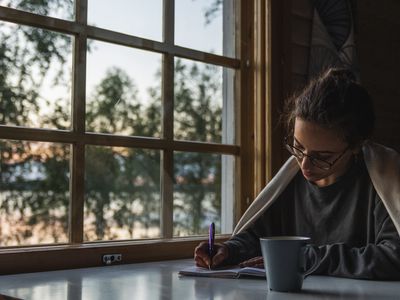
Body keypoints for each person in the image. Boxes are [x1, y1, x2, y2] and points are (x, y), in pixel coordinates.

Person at [194, 68, 400, 279]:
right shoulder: (290, 181)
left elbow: (394, 257)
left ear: (356, 146)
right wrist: (230, 250)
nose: (304, 166)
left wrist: (306, 258)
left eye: (322, 157)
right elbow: (260, 235)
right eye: (298, 147)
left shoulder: (383, 182)